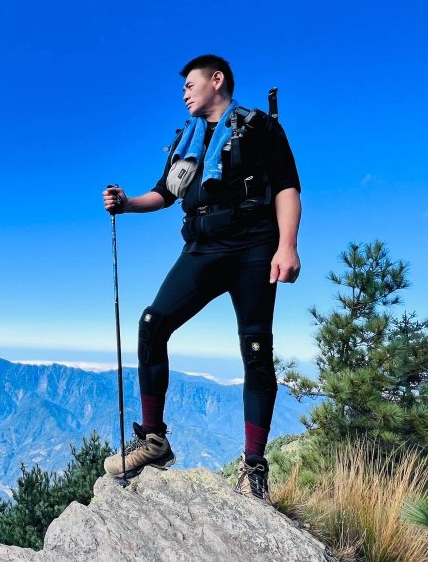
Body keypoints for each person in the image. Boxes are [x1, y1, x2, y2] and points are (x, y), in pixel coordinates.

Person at [101, 54, 302, 504]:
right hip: (202, 249)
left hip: (253, 248)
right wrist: (126, 203)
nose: (185, 93)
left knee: (255, 351)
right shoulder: (185, 140)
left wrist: (287, 246)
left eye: (191, 84)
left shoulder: (259, 127)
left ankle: (253, 468)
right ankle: (154, 442)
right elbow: (165, 193)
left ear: (217, 80)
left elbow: (288, 185)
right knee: (153, 323)